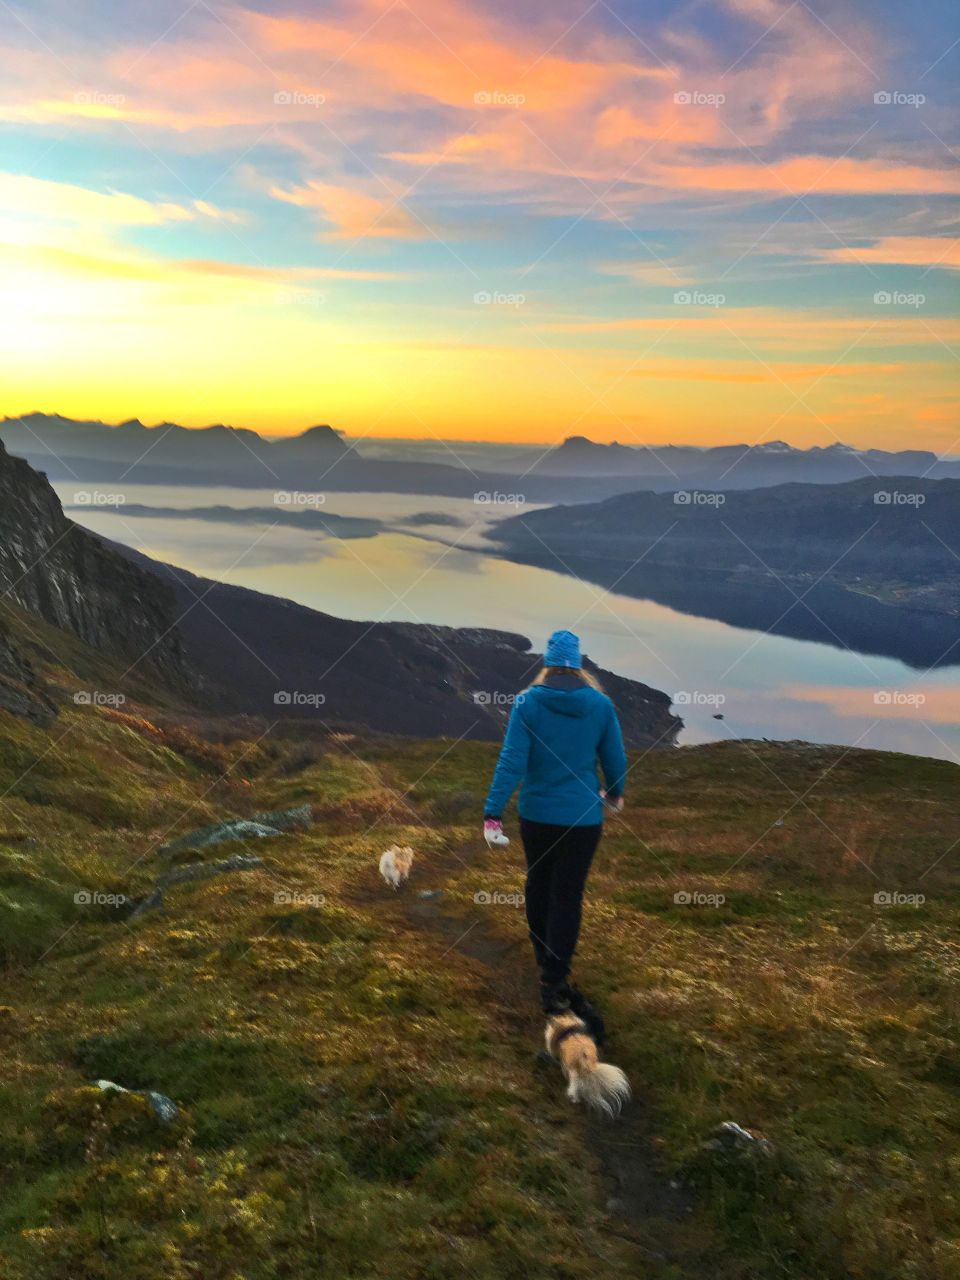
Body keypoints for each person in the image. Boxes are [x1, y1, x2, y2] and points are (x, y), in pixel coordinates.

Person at [482, 629, 627, 1033]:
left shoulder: (527, 703)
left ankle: (545, 962)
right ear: (578, 663)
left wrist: (493, 813)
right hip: (582, 820)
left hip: (538, 817)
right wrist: (614, 795)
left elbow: (512, 760)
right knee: (568, 894)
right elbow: (614, 758)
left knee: (539, 885)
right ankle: (555, 977)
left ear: (547, 663)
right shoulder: (600, 706)